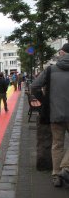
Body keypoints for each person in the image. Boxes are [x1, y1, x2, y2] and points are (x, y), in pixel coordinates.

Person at [31, 43, 69, 187]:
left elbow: (34, 86)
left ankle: (56, 175)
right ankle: (66, 168)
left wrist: (44, 101)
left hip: (55, 113)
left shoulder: (51, 70)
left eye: (60, 52)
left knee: (57, 144)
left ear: (63, 53)